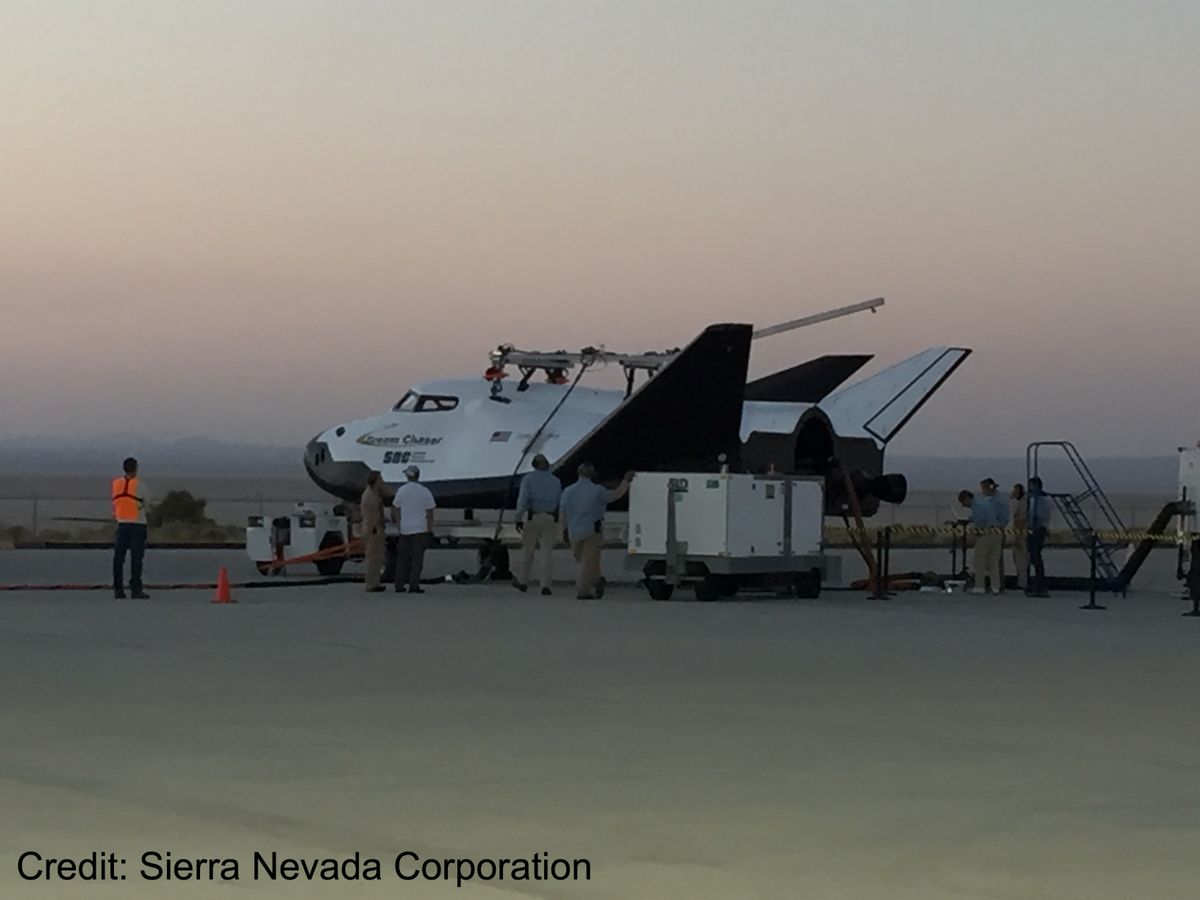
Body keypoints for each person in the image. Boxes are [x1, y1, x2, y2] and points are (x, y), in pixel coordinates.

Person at [558, 464, 634, 599]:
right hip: (592, 530)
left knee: (582, 561)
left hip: (574, 531)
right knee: (588, 562)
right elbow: (616, 495)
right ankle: (584, 591)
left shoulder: (568, 491)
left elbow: (562, 513)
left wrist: (563, 530)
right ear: (593, 475)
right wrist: (626, 481)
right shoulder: (597, 490)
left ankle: (597, 580)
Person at [512, 454, 562, 595]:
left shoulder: (528, 479)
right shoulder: (556, 481)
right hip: (550, 517)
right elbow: (560, 501)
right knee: (547, 553)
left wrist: (518, 517)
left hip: (533, 516)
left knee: (528, 551)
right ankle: (545, 585)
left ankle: (523, 581)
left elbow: (523, 500)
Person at [392, 465, 436, 593]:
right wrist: (430, 528)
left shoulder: (402, 490)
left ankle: (399, 585)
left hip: (405, 529)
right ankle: (414, 585)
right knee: (417, 559)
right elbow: (430, 512)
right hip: (420, 529)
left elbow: (396, 507)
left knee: (403, 559)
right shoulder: (424, 491)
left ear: (408, 476)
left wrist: (399, 523)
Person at [111, 456, 150, 599]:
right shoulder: (141, 485)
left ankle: (118, 589)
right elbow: (147, 504)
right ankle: (136, 589)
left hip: (121, 523)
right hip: (138, 524)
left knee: (119, 558)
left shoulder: (116, 483)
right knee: (136, 557)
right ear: (135, 469)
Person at [969, 478, 1007, 594]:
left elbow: (1001, 516)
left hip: (989, 531)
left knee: (980, 559)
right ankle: (996, 586)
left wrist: (978, 530)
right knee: (993, 561)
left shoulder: (996, 501)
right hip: (996, 531)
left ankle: (980, 586)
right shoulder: (989, 500)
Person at [360, 471, 387, 592]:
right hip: (373, 530)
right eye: (380, 479)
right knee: (373, 558)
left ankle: (375, 582)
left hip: (375, 529)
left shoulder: (374, 494)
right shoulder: (370, 496)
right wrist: (375, 529)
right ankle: (371, 584)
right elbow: (371, 516)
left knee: (377, 558)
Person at [1026, 476, 1053, 597]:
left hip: (1037, 530)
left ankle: (1040, 585)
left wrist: (1033, 526)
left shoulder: (1040, 499)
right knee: (1034, 557)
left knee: (1036, 558)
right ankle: (1038, 584)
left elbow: (1038, 516)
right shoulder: (1039, 498)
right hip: (1037, 529)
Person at [1010, 483, 1029, 590]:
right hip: (1020, 533)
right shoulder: (1020, 502)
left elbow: (1020, 521)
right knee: (1018, 559)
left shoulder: (1023, 503)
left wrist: (1017, 537)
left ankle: (1022, 582)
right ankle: (1021, 580)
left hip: (1021, 534)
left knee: (1021, 560)